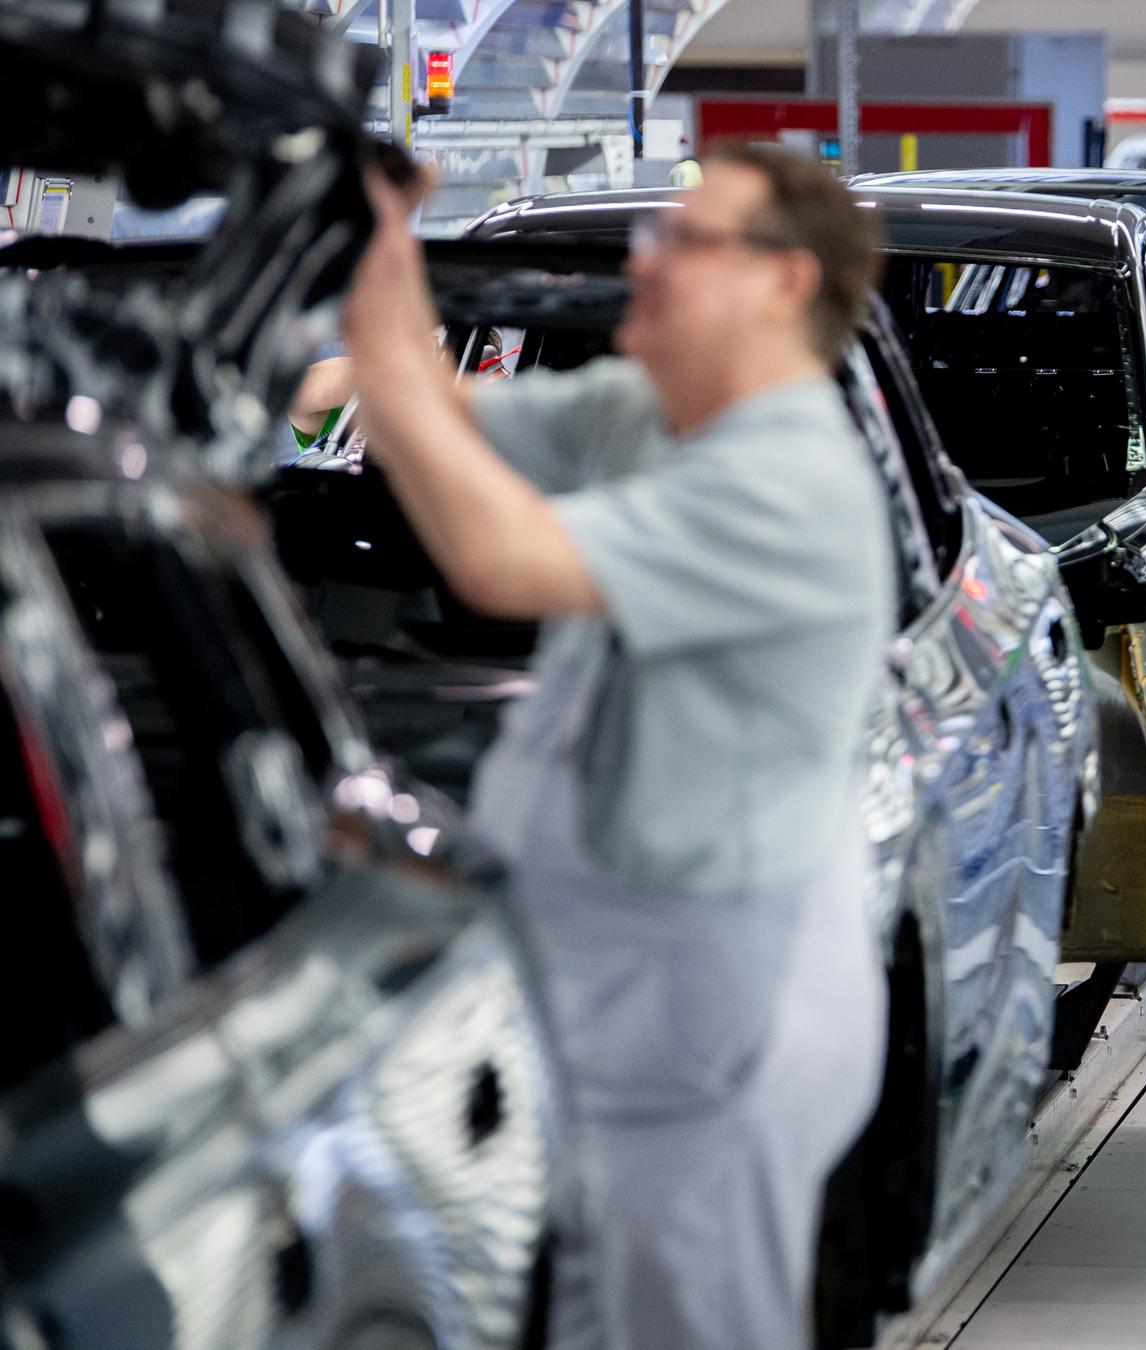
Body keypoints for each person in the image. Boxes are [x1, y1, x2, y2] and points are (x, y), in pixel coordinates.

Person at [341, 143, 893, 1349]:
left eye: (685, 241)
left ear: (783, 282)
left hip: (720, 1010)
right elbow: (428, 412)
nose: (646, 263)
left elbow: (498, 558)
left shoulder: (792, 482)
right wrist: (371, 271)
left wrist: (378, 314)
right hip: (629, 998)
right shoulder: (652, 418)